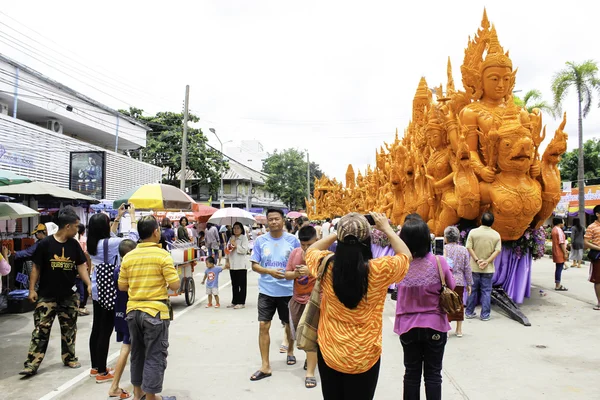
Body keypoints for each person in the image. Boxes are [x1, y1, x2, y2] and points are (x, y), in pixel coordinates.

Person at [306, 212, 411, 399]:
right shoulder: (379, 270)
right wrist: (386, 228)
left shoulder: (326, 264)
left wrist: (340, 231)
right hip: (364, 354)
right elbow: (406, 256)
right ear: (367, 240)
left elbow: (311, 250)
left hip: (331, 351)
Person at [19, 206, 91, 376]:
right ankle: (32, 364)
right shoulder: (45, 244)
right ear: (68, 226)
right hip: (46, 295)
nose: (77, 229)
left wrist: (88, 284)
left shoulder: (74, 245)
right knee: (41, 330)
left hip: (68, 295)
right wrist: (31, 290)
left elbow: (81, 266)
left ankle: (69, 358)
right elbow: (36, 268)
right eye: (76, 226)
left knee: (69, 329)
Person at [118, 215, 180, 400]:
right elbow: (175, 285)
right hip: (154, 313)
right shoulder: (162, 255)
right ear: (155, 232)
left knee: (137, 354)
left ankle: (138, 395)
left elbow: (122, 286)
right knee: (154, 356)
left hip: (133, 312)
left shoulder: (129, 256)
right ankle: (152, 398)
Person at [396, 215, 456, 399]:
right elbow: (451, 287)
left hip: (408, 327)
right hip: (434, 325)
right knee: (433, 374)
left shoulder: (400, 265)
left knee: (411, 374)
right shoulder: (439, 262)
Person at [87, 205, 139, 383]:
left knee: (96, 328)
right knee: (106, 330)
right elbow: (132, 240)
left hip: (97, 289)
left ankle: (95, 367)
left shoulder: (92, 243)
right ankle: (102, 372)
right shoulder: (113, 243)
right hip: (110, 289)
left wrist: (118, 217)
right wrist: (132, 217)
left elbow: (109, 236)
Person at [249, 209, 301, 382]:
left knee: (288, 324)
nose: (273, 222)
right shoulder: (260, 240)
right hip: (266, 291)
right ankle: (265, 365)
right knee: (264, 325)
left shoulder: (293, 240)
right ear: (266, 222)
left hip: (288, 291)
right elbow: (254, 265)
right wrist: (268, 271)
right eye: (270, 219)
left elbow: (300, 262)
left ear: (282, 220)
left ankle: (291, 351)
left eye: (276, 219)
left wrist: (292, 275)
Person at [284, 225, 319, 389]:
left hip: (315, 301)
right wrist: (297, 274)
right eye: (303, 245)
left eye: (309, 245)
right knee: (299, 334)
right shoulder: (295, 253)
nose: (306, 248)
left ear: (316, 241)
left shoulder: (322, 255)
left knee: (311, 336)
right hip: (297, 299)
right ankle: (308, 357)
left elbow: (329, 275)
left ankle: (310, 372)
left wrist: (311, 271)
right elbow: (287, 274)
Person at [109, 239, 137, 400]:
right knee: (131, 350)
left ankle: (122, 386)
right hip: (131, 312)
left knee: (127, 348)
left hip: (121, 312)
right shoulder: (129, 270)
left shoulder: (118, 269)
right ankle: (118, 387)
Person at [465, 212, 501, 321]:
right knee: (486, 291)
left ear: (481, 220)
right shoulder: (496, 235)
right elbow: (498, 250)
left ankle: (469, 312)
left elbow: (469, 247)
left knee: (472, 290)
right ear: (492, 222)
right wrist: (487, 261)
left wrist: (476, 260)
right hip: (488, 268)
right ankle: (485, 315)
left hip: (474, 267)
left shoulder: (473, 232)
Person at [443, 225, 473, 337]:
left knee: (445, 303)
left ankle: (445, 329)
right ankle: (459, 330)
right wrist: (469, 283)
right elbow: (467, 268)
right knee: (459, 304)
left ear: (446, 237)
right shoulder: (463, 250)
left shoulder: (443, 249)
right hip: (459, 281)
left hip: (446, 281)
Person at [225, 222, 249, 309]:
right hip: (232, 264)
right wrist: (227, 261)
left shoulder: (244, 238)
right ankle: (234, 301)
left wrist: (236, 245)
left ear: (241, 229)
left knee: (241, 284)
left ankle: (241, 302)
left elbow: (245, 250)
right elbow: (227, 250)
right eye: (234, 228)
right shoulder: (231, 238)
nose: (236, 230)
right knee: (234, 284)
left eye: (238, 228)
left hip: (241, 264)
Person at [584, 205, 600, 310]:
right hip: (598, 258)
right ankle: (599, 303)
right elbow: (585, 243)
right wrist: (599, 248)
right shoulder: (592, 227)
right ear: (597, 214)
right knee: (598, 280)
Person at [75, 223, 92, 316]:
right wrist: (89, 269)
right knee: (82, 288)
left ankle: (79, 306)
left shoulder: (73, 240)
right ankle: (81, 306)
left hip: (77, 268)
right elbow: (87, 255)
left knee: (78, 287)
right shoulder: (84, 240)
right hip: (83, 268)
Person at [552, 217, 569, 291]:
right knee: (559, 268)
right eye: (563, 221)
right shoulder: (559, 231)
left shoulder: (554, 229)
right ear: (560, 223)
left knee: (558, 267)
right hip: (559, 251)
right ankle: (558, 285)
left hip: (555, 250)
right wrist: (565, 253)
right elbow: (561, 243)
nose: (564, 223)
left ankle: (557, 283)